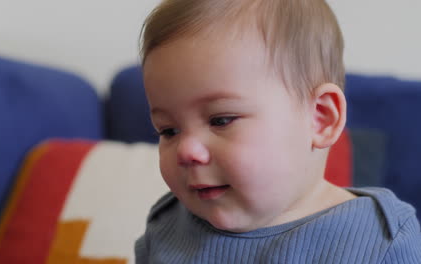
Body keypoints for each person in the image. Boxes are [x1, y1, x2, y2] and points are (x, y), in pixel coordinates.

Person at [135, 0, 421, 263]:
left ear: (320, 119)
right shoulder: (167, 224)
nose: (186, 151)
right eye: (169, 130)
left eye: (221, 120)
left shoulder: (381, 242)